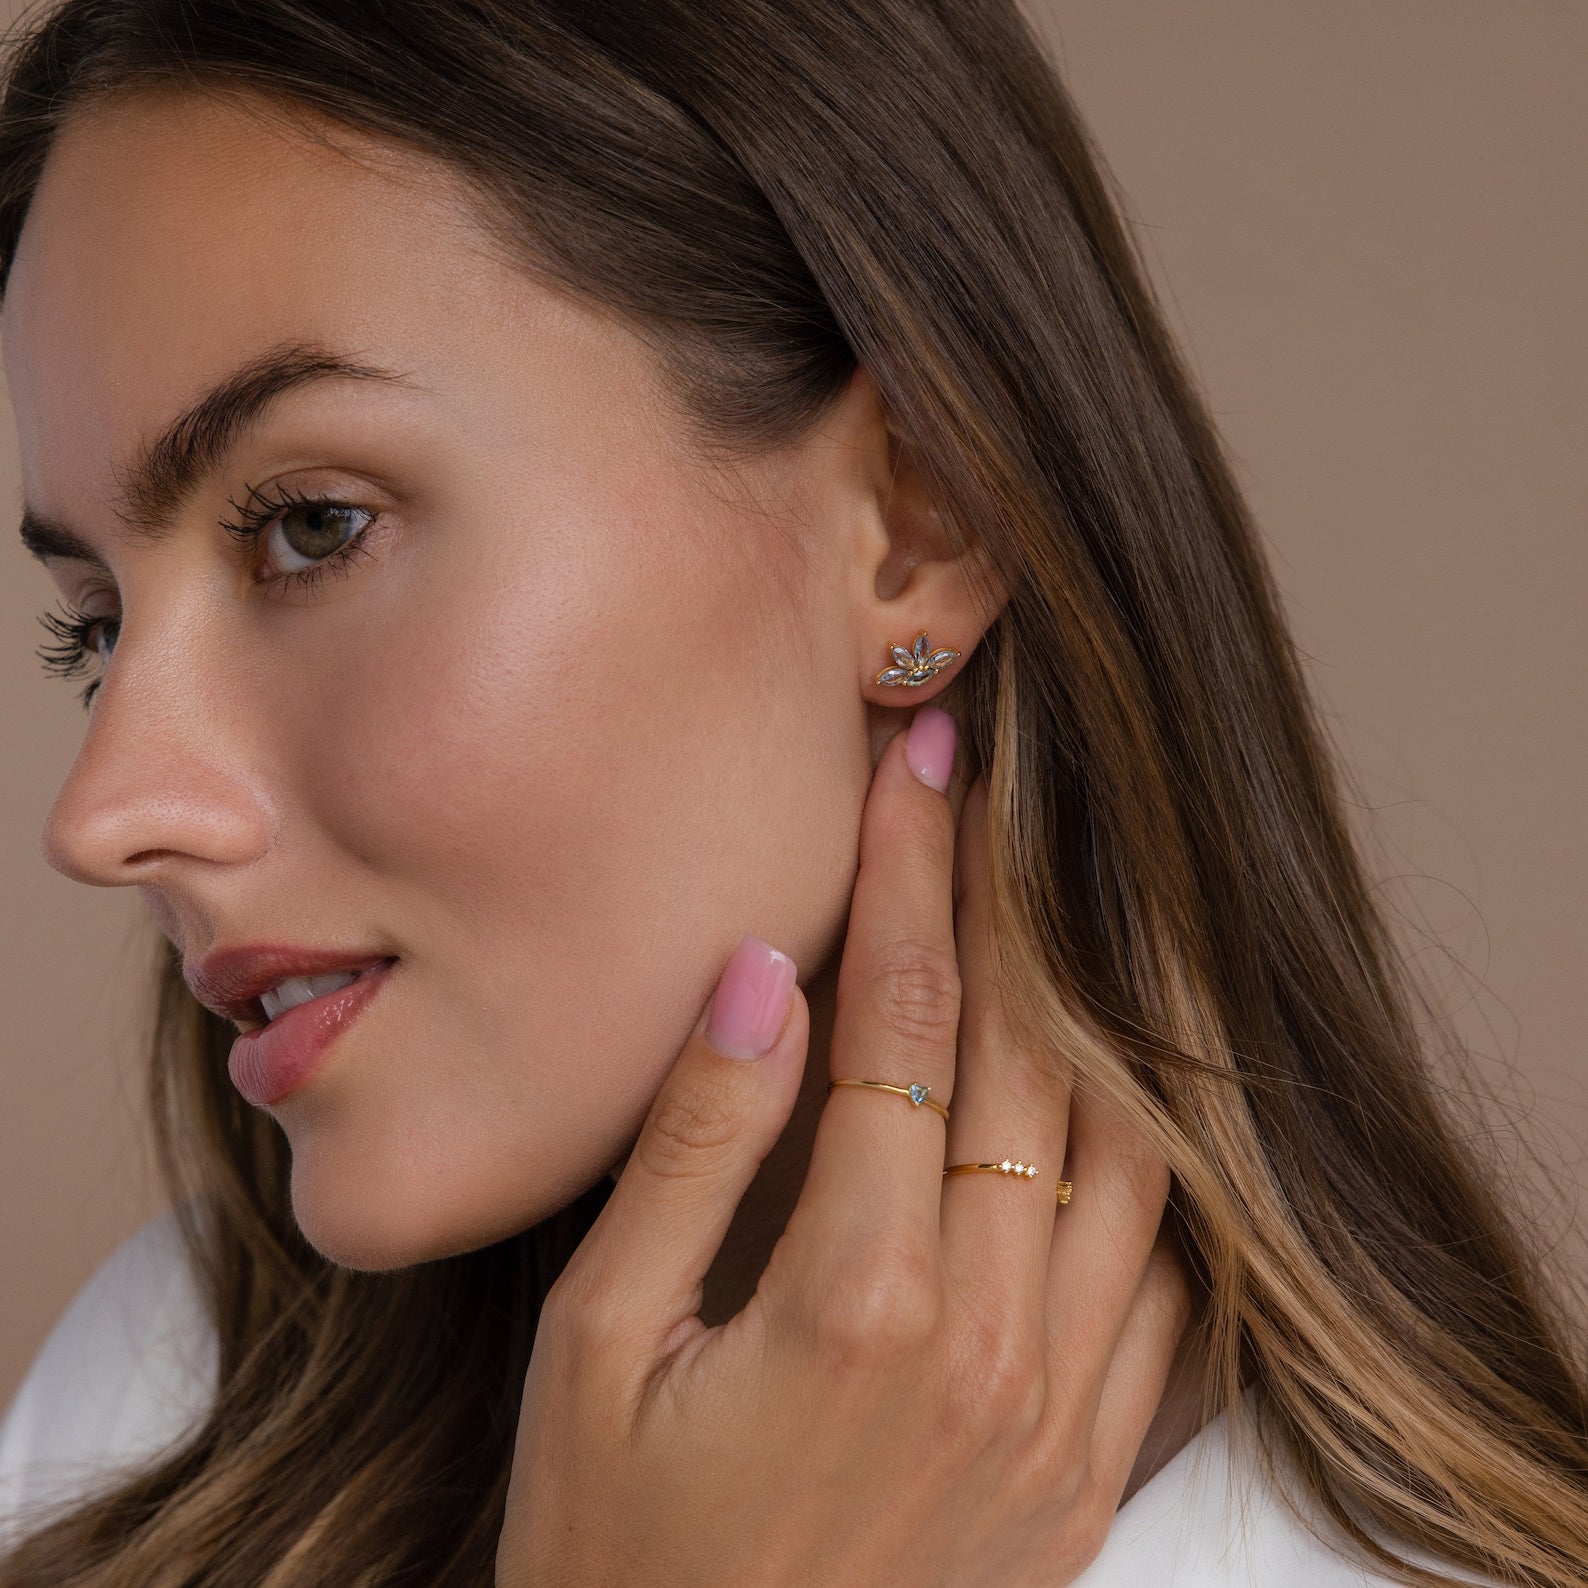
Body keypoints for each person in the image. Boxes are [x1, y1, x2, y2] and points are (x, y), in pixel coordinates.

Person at [0, 1, 1581, 1583]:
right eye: (98, 628)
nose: (105, 810)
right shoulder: (167, 1401)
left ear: (920, 519)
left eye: (314, 526)